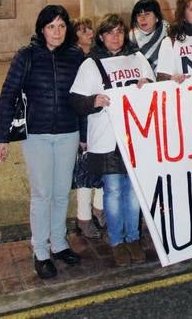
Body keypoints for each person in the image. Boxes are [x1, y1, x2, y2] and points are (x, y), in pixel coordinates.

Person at [0, 5, 84, 280]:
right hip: (37, 135)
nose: (57, 32)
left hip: (68, 132)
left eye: (61, 26)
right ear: (41, 29)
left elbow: (83, 97)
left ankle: (58, 243)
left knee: (60, 193)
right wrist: (1, 137)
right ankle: (41, 251)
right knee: (42, 194)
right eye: (51, 26)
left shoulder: (76, 56)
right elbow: (8, 94)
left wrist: (85, 135)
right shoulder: (27, 55)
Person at [70, 13, 154, 268]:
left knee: (133, 192)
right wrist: (92, 101)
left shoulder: (137, 58)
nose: (115, 37)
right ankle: (117, 240)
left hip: (136, 137)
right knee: (114, 191)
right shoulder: (91, 64)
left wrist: (147, 83)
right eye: (109, 33)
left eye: (119, 31)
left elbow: (154, 90)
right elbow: (75, 100)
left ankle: (133, 238)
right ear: (101, 37)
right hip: (108, 139)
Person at [71, 18, 104, 240]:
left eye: (90, 29)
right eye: (83, 31)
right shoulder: (77, 60)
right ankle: (83, 218)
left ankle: (98, 210)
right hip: (84, 123)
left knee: (102, 170)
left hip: (99, 125)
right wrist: (82, 135)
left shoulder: (97, 56)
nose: (89, 33)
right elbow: (78, 100)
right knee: (84, 175)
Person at [129, 0, 169, 74]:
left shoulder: (168, 30)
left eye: (147, 14)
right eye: (139, 15)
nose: (142, 19)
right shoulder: (131, 38)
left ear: (157, 17)